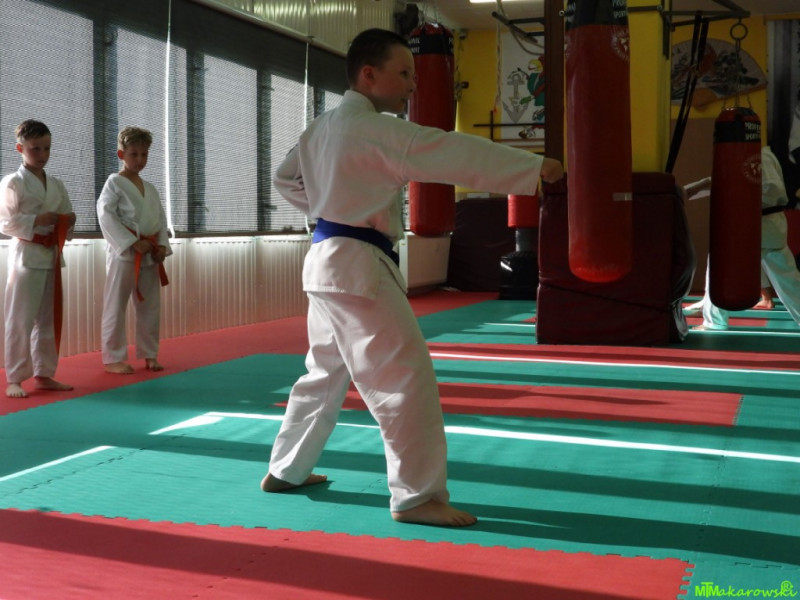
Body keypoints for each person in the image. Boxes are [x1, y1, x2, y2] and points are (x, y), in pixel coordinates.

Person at [262, 28, 564, 527]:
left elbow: (284, 179)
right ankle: (417, 496)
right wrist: (533, 169)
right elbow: (452, 151)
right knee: (405, 379)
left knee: (324, 373)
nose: (412, 85)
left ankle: (286, 469)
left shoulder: (320, 128)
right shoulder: (377, 130)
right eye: (403, 73)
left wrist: (330, 208)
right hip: (358, 268)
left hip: (323, 261)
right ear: (369, 74)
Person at [0, 120, 76, 398]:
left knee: (48, 319)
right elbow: (4, 223)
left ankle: (44, 374)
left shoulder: (56, 184)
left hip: (52, 255)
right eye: (35, 148)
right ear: (20, 148)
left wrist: (68, 222)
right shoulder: (13, 182)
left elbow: (67, 215)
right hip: (26, 255)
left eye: (47, 148)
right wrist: (36, 220)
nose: (42, 154)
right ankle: (15, 378)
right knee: (20, 319)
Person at [688, 146, 800, 330]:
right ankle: (713, 316)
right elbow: (732, 180)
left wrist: (737, 198)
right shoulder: (750, 155)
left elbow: (770, 189)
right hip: (765, 223)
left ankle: (714, 321)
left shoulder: (758, 156)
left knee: (721, 266)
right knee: (787, 277)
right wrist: (693, 189)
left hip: (757, 222)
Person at [97, 126, 171, 374]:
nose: (140, 159)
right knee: (115, 305)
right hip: (124, 254)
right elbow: (106, 216)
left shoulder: (150, 188)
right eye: (134, 154)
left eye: (144, 154)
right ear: (121, 154)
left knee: (150, 306)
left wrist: (162, 245)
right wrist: (131, 242)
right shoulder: (114, 183)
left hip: (149, 253)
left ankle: (150, 354)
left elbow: (160, 219)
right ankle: (113, 358)